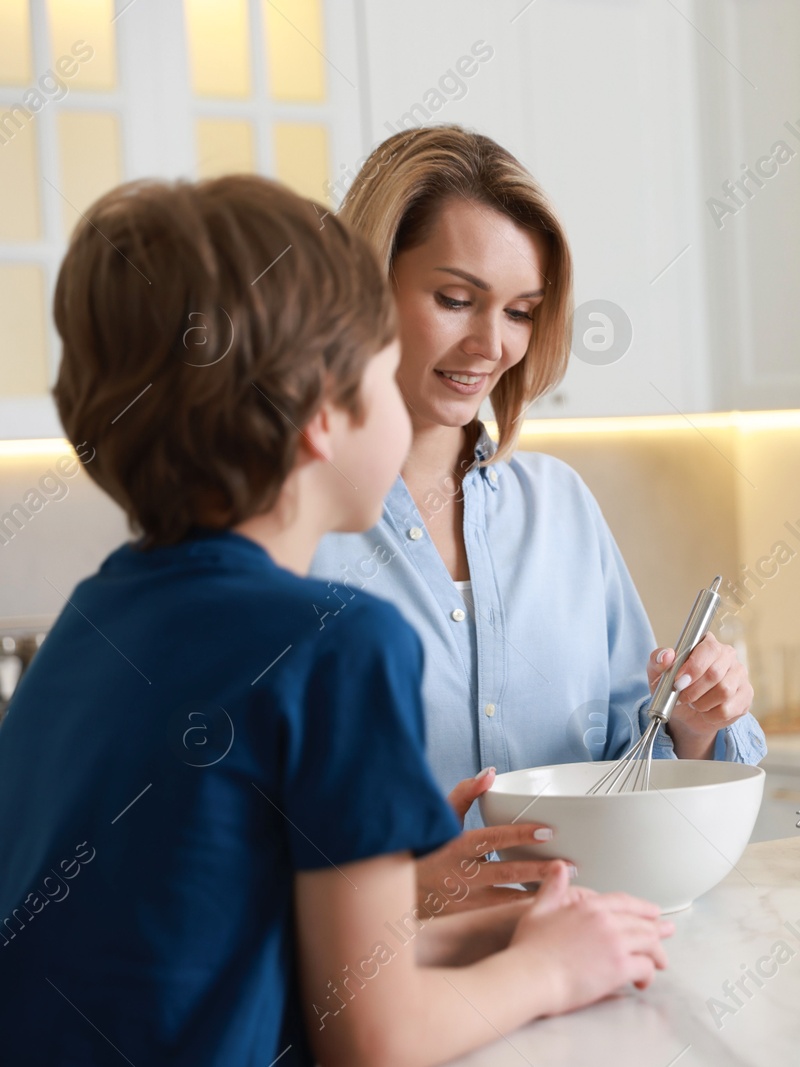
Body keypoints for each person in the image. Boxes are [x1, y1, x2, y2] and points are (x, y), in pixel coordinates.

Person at [0, 175, 670, 1066]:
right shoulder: (338, 641)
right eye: (380, 369)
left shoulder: (91, 623)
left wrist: (506, 934)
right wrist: (544, 974)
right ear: (323, 416)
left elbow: (239, 949)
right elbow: (374, 1039)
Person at [311, 126, 766, 904]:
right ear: (366, 285)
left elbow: (628, 772)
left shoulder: (559, 508)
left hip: (577, 966)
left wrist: (694, 721)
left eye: (521, 311)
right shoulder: (293, 526)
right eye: (455, 299)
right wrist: (410, 891)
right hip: (382, 996)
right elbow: (233, 829)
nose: (492, 344)